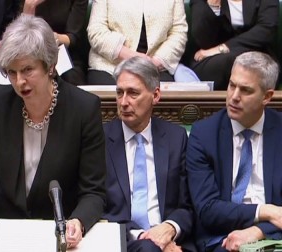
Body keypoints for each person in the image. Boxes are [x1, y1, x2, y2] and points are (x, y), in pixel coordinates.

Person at [0, 14, 106, 249]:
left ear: (50, 65)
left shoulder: (84, 109)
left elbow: (94, 192)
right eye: (11, 72)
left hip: (57, 231)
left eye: (27, 70)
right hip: (5, 226)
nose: (19, 81)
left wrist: (78, 221)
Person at [187, 51, 282, 252]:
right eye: (232, 85)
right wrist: (265, 211)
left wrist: (259, 232)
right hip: (222, 239)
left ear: (267, 96)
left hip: (275, 237)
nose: (234, 97)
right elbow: (208, 209)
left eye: (246, 90)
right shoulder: (204, 134)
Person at [104, 56, 195, 251]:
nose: (124, 102)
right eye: (120, 93)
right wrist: (148, 238)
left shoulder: (176, 138)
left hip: (171, 240)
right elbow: (97, 206)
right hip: (122, 240)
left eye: (133, 93)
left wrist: (170, 228)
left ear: (155, 96)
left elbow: (189, 204)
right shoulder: (101, 139)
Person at [86, 0, 188, 85]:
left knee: (160, 98)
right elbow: (96, 31)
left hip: (155, 68)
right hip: (109, 66)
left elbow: (179, 32)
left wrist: (155, 62)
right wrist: (135, 58)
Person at [189, 0, 278, 90]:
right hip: (211, 59)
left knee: (248, 64)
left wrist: (224, 47)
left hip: (257, 55)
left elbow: (267, 29)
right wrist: (213, 6)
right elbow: (203, 41)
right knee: (233, 61)